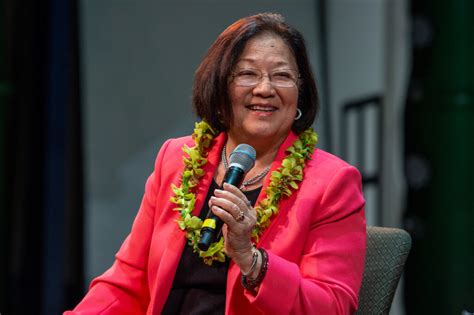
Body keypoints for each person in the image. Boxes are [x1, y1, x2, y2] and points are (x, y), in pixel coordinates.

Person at [66, 12, 366, 315]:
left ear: (300, 94)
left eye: (282, 76)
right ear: (221, 86)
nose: (265, 88)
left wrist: (252, 260)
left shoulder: (332, 183)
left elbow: (332, 306)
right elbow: (127, 282)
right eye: (248, 74)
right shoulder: (176, 158)